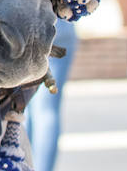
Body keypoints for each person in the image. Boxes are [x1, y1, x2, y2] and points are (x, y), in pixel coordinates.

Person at [26, 18, 78, 171]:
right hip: (61, 25)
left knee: (24, 109)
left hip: (26, 23)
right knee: (46, 111)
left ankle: (20, 164)